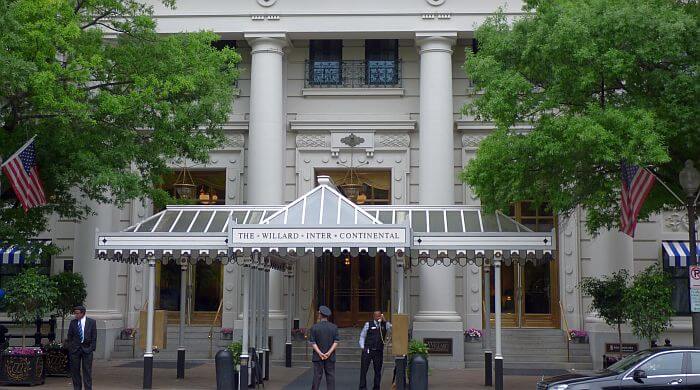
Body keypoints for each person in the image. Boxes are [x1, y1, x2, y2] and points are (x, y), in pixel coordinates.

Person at [359, 310, 392, 390]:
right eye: (377, 316)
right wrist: (363, 347)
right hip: (368, 350)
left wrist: (384, 321)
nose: (378, 318)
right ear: (374, 316)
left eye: (379, 316)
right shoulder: (368, 324)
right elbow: (362, 336)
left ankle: (376, 387)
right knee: (364, 369)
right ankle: (363, 387)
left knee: (378, 370)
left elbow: (392, 330)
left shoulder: (384, 325)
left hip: (378, 351)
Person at [67, 305, 97, 390]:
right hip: (75, 350)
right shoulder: (73, 323)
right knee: (75, 371)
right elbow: (70, 336)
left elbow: (94, 336)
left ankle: (88, 388)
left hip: (87, 349)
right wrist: (71, 347)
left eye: (77, 313)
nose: (76, 315)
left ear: (83, 313)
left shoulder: (91, 322)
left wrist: (92, 348)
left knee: (87, 371)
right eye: (75, 313)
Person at [309, 305, 339, 390]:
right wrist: (328, 353)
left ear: (320, 314)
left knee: (317, 377)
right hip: (330, 356)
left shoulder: (314, 327)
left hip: (318, 356)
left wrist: (320, 353)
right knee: (330, 376)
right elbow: (336, 342)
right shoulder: (334, 327)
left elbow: (313, 343)